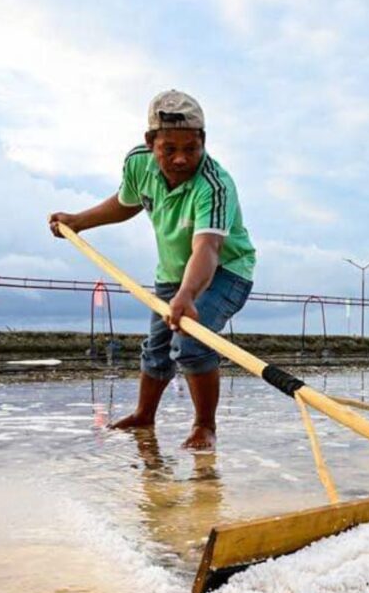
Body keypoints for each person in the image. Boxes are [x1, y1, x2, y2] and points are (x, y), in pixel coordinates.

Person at [49, 90, 255, 449]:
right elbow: (126, 202)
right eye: (169, 149)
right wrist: (78, 221)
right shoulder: (138, 163)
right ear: (150, 142)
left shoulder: (215, 185)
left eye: (191, 149)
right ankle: (144, 414)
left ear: (203, 142)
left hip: (224, 271)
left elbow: (207, 247)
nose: (180, 159)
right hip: (173, 273)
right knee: (157, 347)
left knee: (191, 339)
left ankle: (205, 426)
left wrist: (188, 294)